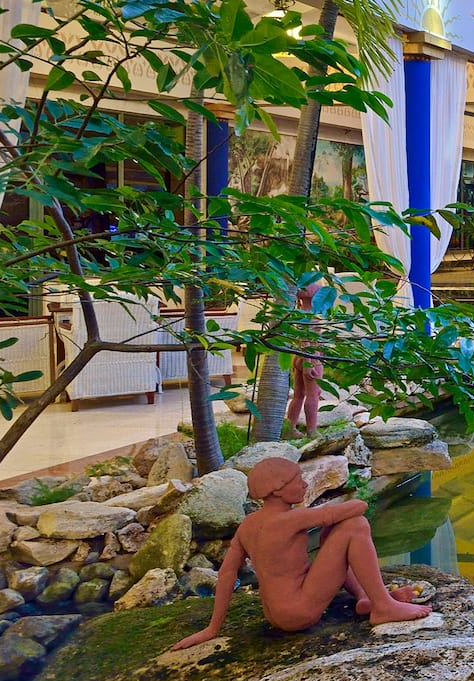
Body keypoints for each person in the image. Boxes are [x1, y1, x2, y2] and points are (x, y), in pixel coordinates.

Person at [167, 457, 430, 652]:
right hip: (299, 611)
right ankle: (383, 606)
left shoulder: (248, 525)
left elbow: (226, 574)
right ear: (278, 489)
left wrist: (213, 628)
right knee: (355, 525)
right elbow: (358, 507)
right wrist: (334, 506)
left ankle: (366, 597)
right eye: (298, 481)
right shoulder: (292, 518)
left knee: (333, 532)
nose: (305, 484)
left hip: (277, 615)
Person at [285, 279, 324, 437]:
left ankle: (289, 428)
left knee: (298, 395)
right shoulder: (311, 316)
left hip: (298, 358)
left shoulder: (299, 313)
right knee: (313, 395)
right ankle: (311, 430)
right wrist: (310, 363)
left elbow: (301, 341)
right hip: (310, 359)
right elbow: (307, 341)